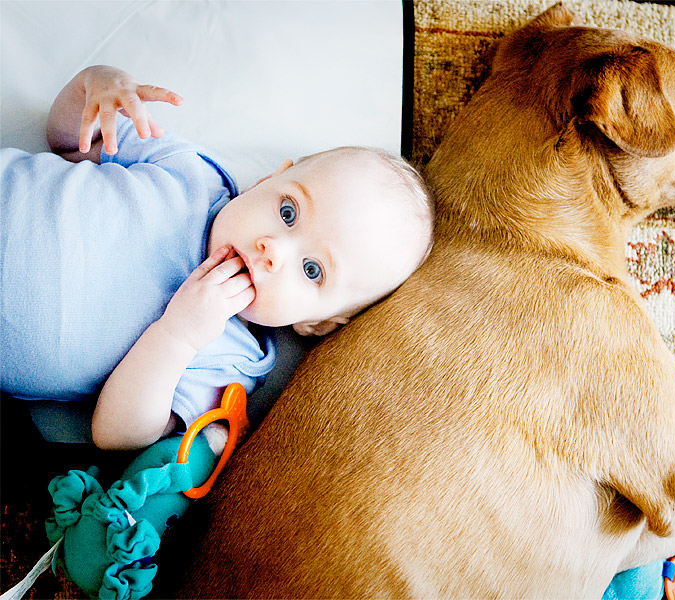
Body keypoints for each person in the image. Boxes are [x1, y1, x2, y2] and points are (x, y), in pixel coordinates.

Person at [1, 65, 434, 451]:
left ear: (316, 324)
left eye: (312, 270)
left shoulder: (231, 359)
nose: (273, 250)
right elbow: (70, 143)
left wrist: (177, 336)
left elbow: (116, 434)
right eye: (288, 212)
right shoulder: (190, 172)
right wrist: (91, 87)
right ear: (268, 179)